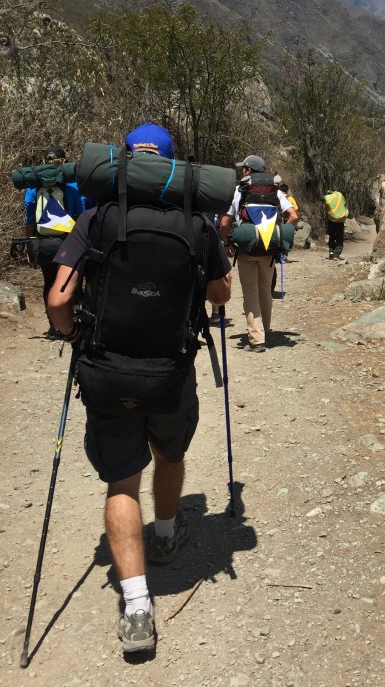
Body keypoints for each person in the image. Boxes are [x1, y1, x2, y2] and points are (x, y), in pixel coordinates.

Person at [47, 123, 232, 655]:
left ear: (121, 164)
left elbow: (60, 303)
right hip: (171, 372)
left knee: (122, 482)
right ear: (176, 170)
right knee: (169, 453)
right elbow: (219, 296)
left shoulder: (95, 219)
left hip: (107, 373)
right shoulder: (197, 224)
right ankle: (169, 535)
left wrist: (73, 337)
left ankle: (136, 606)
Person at [220, 155, 297, 353]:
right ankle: (267, 330)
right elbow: (293, 216)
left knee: (250, 291)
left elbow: (224, 222)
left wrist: (228, 242)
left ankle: (256, 339)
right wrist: (277, 235)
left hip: (247, 249)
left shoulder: (240, 190)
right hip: (269, 250)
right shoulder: (276, 191)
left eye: (243, 168)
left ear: (248, 171)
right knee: (265, 289)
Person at [24, 145, 86, 340]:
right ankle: (72, 323)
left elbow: (30, 219)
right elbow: (81, 216)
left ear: (43, 163)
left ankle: (53, 327)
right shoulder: (73, 187)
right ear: (64, 162)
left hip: (43, 242)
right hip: (68, 241)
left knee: (49, 282)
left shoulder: (33, 188)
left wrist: (30, 245)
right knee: (72, 282)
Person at [324, 188, 349, 259]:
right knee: (339, 238)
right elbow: (345, 211)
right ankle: (336, 254)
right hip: (339, 222)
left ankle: (331, 252)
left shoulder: (332, 197)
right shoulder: (342, 199)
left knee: (331, 237)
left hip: (331, 221)